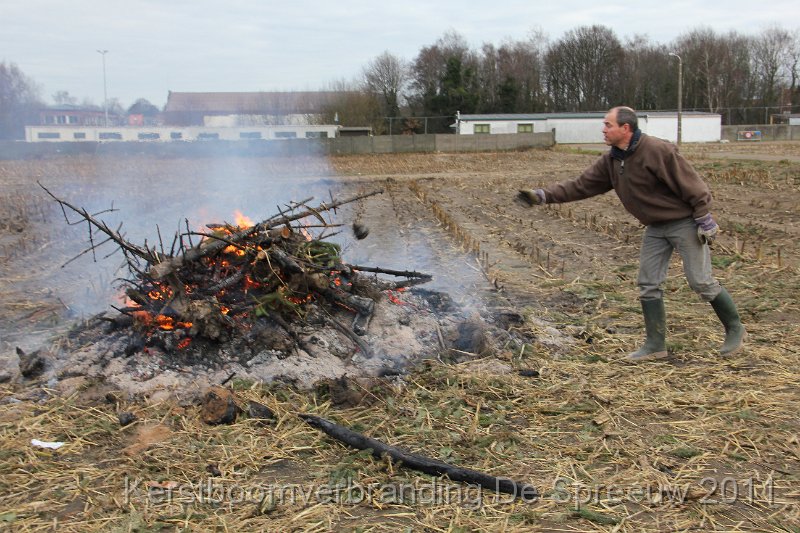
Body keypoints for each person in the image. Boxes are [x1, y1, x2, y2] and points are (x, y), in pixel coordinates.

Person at [517, 106, 746, 361]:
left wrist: (703, 218)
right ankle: (655, 345)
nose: (603, 130)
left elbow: (692, 184)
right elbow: (582, 186)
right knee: (648, 284)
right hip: (655, 227)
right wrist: (542, 196)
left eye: (608, 125)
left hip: (683, 223)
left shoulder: (658, 150)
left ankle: (735, 328)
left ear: (625, 128)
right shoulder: (612, 160)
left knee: (701, 282)